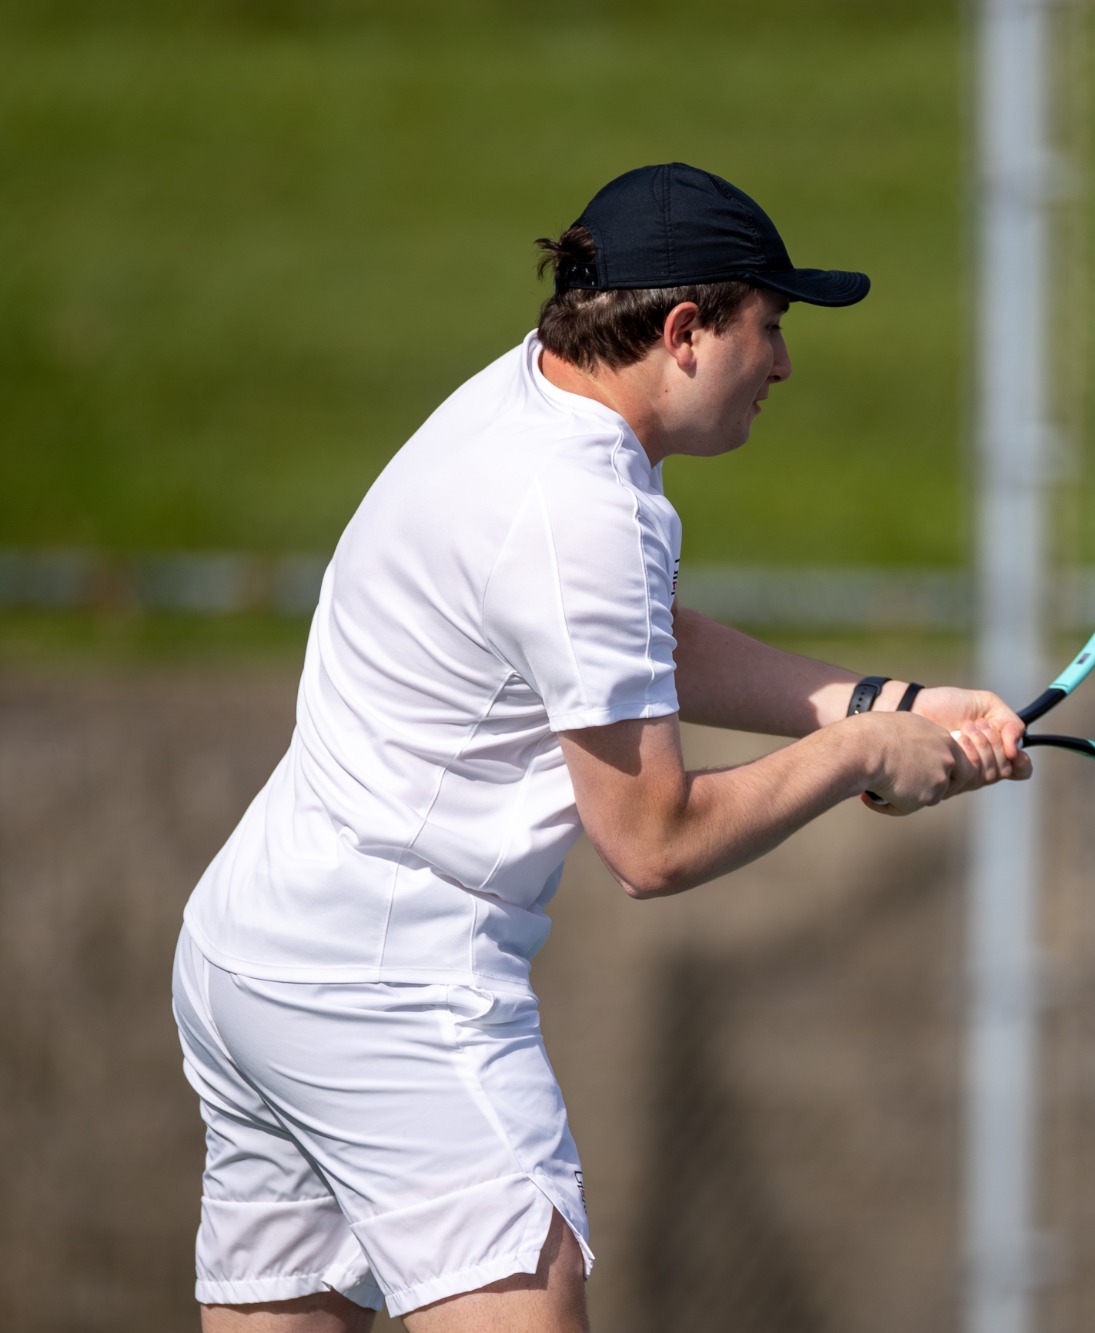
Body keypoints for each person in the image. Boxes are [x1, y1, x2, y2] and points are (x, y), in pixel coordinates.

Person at [171, 163, 1029, 1333]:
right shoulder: (584, 508)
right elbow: (652, 843)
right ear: (684, 332)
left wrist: (885, 699)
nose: (780, 364)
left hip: (249, 962)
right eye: (767, 328)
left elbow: (628, 639)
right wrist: (861, 755)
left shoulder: (520, 395)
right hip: (386, 990)